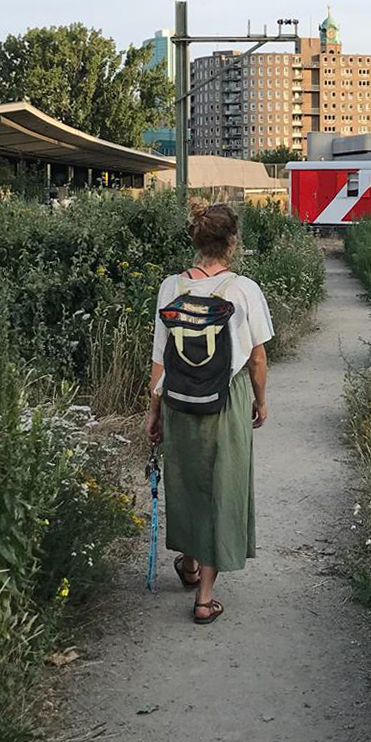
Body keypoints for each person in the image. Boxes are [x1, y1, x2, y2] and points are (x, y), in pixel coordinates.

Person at [145, 200, 274, 625]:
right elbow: (257, 359)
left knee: (187, 482)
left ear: (197, 240)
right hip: (226, 399)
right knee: (222, 486)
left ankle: (188, 562)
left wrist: (153, 411)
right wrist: (260, 401)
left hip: (178, 398)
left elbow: (160, 358)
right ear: (232, 241)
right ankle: (204, 599)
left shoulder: (171, 288)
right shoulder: (244, 290)